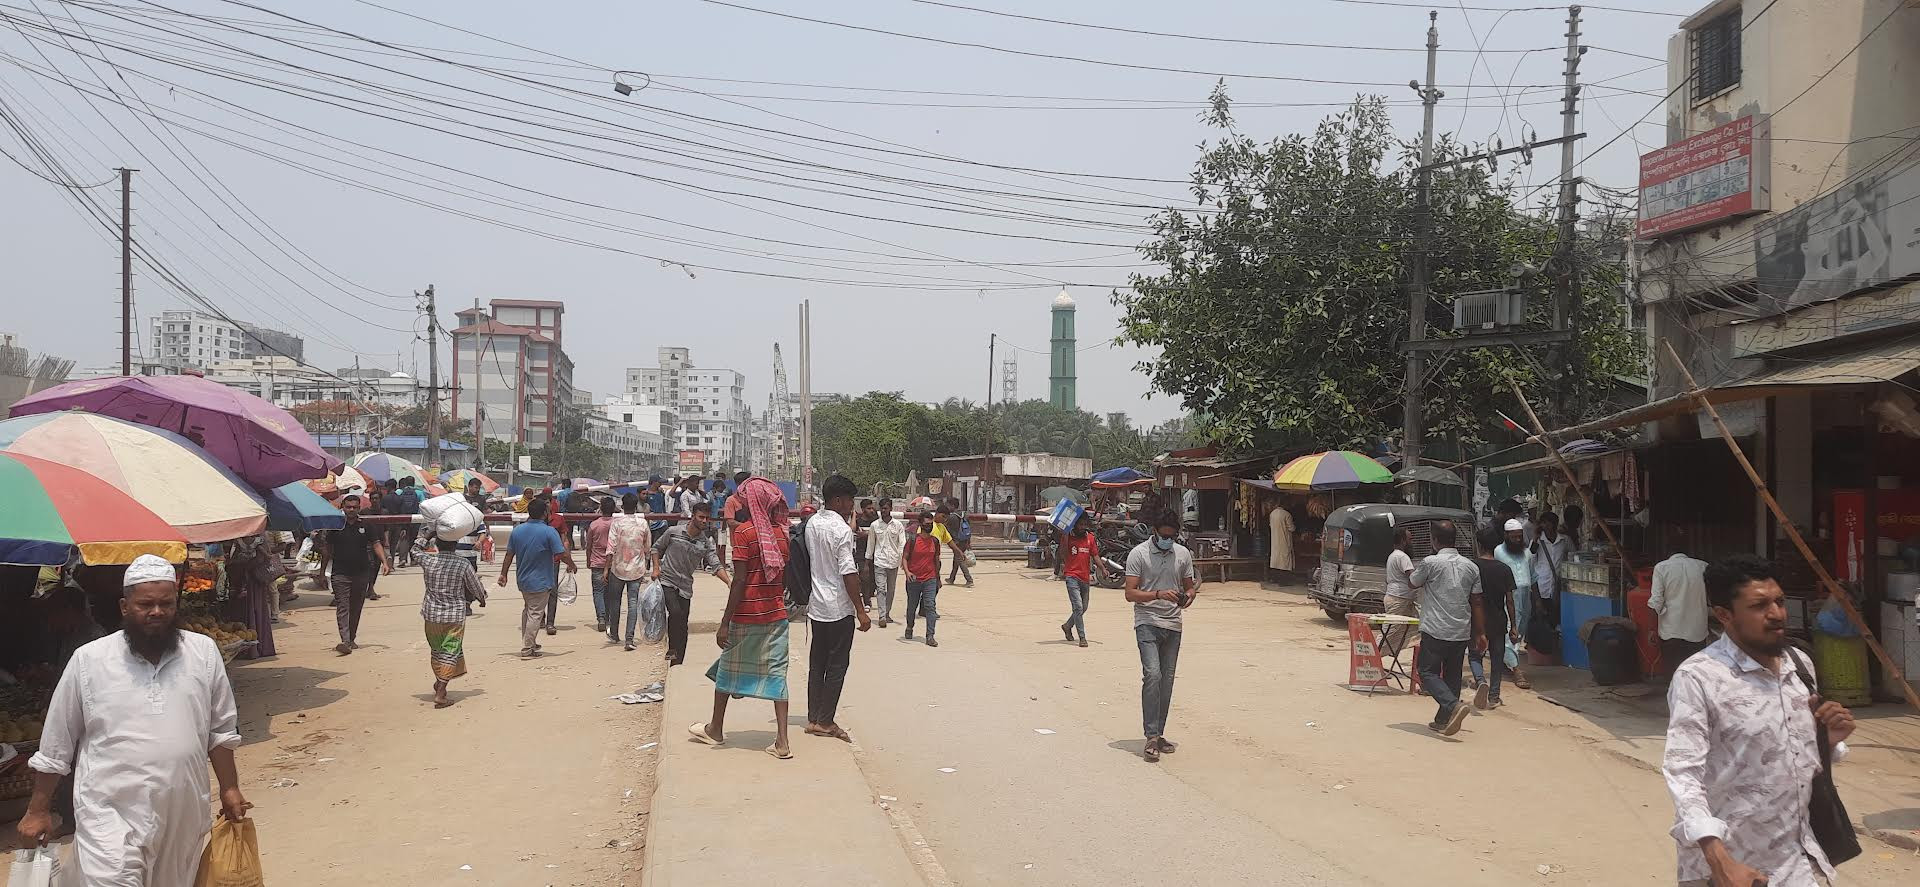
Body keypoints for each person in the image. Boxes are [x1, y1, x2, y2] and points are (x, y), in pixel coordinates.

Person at [17, 555, 249, 885]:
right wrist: (37, 809)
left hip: (181, 810)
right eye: (146, 604)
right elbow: (57, 742)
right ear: (125, 607)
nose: (157, 612)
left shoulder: (203, 652)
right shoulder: (90, 660)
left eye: (166, 604)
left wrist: (230, 787)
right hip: (108, 811)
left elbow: (221, 730)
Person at [1662, 555, 1856, 887]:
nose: (1777, 614)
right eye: (1759, 605)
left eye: (1779, 601)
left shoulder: (1800, 664)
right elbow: (1684, 774)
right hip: (1731, 870)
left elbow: (1798, 757)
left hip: (1800, 862)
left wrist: (1828, 739)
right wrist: (1719, 861)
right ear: (1724, 615)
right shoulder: (1699, 677)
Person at [690, 477, 794, 759]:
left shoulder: (744, 534)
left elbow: (739, 581)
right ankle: (782, 741)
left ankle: (716, 728)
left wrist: (725, 622)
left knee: (728, 667)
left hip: (747, 613)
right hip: (775, 614)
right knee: (777, 672)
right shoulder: (782, 535)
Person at [1124, 512, 1198, 763]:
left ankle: (1159, 733)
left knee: (1166, 681)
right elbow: (1130, 593)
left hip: (1173, 624)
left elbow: (1189, 586)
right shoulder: (1139, 554)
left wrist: (1188, 597)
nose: (1168, 540)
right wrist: (1157, 594)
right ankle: (1151, 736)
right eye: (1164, 536)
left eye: (1172, 536)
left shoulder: (1182, 554)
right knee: (1152, 675)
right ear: (1154, 532)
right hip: (1147, 622)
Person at [803, 474, 871, 740]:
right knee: (837, 665)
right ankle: (826, 720)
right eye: (849, 501)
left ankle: (813, 716)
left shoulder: (812, 524)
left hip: (817, 606)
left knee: (817, 663)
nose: (851, 506)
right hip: (838, 607)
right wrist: (861, 610)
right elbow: (848, 572)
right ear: (838, 500)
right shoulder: (841, 530)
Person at [1408, 521, 1484, 737]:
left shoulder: (1430, 562)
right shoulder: (1471, 566)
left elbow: (1412, 583)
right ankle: (1443, 719)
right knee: (1452, 675)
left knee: (1427, 672)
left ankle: (1453, 705)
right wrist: (1480, 632)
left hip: (1435, 628)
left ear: (1434, 540)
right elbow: (1477, 601)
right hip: (1461, 629)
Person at [497, 497, 577, 658]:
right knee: (535, 613)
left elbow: (509, 554)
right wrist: (572, 564)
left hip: (523, 579)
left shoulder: (518, 531)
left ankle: (530, 641)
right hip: (541, 580)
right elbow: (561, 553)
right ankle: (527, 648)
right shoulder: (549, 531)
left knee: (528, 610)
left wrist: (503, 573)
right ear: (544, 513)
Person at [654, 507, 731, 666]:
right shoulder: (673, 532)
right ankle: (672, 649)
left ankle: (677, 661)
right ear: (693, 517)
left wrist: (729, 582)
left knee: (682, 624)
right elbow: (656, 548)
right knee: (674, 612)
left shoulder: (705, 543)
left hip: (685, 587)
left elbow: (716, 565)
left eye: (706, 518)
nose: (704, 521)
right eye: (701, 517)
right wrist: (656, 568)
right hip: (667, 581)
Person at [320, 493, 390, 655]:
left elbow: (376, 544)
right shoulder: (335, 526)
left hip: (361, 573)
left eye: (354, 507)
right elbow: (327, 551)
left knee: (356, 607)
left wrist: (385, 562)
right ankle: (344, 640)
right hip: (340, 574)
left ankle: (351, 638)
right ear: (342, 507)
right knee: (343, 607)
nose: (351, 510)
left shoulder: (366, 525)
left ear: (359, 508)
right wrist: (322, 572)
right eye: (348, 507)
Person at [420, 537, 486, 707]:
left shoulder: (428, 560)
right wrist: (481, 598)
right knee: (451, 650)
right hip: (454, 616)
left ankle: (439, 680)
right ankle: (441, 691)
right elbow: (475, 585)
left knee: (437, 650)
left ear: (437, 544)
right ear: (455, 544)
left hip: (431, 614)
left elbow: (414, 551)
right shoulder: (462, 563)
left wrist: (427, 536)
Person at [1467, 524, 1519, 711]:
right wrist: (1514, 626)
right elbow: (1510, 601)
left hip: (1476, 620)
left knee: (1474, 655)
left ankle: (1480, 680)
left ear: (1479, 545)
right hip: (1499, 619)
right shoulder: (1504, 569)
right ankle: (1494, 696)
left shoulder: (1471, 567)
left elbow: (1467, 597)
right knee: (1497, 659)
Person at [1649, 543, 1712, 682]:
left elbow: (1656, 602)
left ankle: (1675, 700)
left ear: (1668, 553)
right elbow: (1711, 598)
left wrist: (1652, 630)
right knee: (1695, 676)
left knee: (1673, 675)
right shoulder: (1703, 566)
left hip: (1671, 631)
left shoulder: (1661, 568)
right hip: (1697, 631)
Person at [605, 492, 656, 650]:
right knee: (633, 603)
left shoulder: (617, 523)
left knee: (615, 602)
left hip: (618, 567)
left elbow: (610, 548)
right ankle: (629, 638)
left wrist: (606, 569)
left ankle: (614, 633)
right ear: (636, 507)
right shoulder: (643, 523)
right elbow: (648, 547)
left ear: (621, 506)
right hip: (637, 569)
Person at [1493, 517, 1536, 689]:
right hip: (1507, 597)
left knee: (1520, 631)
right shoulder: (1498, 552)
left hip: (1526, 598)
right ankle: (1517, 670)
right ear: (1506, 535)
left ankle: (1506, 662)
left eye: (1520, 536)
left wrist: (1537, 601)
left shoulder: (1527, 553)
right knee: (1511, 631)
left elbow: (1533, 577)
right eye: (1514, 537)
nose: (1517, 540)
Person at [1058, 513, 1108, 647]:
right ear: (1074, 525)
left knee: (1083, 607)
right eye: (1080, 525)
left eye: (1085, 525)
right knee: (1078, 607)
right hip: (1071, 576)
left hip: (1085, 577)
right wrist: (1064, 537)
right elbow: (1063, 554)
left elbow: (1095, 555)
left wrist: (1103, 569)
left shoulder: (1090, 538)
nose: (1083, 528)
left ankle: (1067, 626)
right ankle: (1082, 637)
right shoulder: (1068, 537)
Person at [902, 510, 943, 643]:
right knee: (912, 606)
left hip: (929, 578)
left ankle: (930, 635)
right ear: (920, 524)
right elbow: (905, 558)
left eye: (931, 524)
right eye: (926, 524)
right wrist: (908, 572)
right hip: (914, 579)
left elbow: (936, 560)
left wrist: (938, 578)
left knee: (930, 606)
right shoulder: (913, 540)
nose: (929, 526)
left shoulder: (935, 542)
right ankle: (909, 626)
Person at [867, 498, 906, 628]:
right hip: (879, 561)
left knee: (891, 590)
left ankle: (887, 613)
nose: (884, 511)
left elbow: (902, 543)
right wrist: (868, 561)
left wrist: (902, 559)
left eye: (886, 508)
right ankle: (882, 616)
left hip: (893, 562)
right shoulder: (875, 525)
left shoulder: (898, 525)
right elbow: (871, 544)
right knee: (881, 589)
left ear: (891, 509)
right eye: (882, 508)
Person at [1381, 528, 1418, 653]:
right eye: (1409, 539)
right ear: (1403, 541)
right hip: (1399, 598)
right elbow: (1413, 578)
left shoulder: (1393, 556)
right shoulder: (1402, 557)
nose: (1411, 542)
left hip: (1398, 597)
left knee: (1411, 630)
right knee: (1390, 632)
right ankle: (1371, 657)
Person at [587, 497, 618, 634]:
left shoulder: (594, 525)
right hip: (613, 563)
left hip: (597, 562)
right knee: (611, 593)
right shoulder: (617, 524)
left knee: (598, 591)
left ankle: (601, 617)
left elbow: (588, 545)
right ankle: (609, 618)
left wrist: (589, 560)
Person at [944, 497, 975, 588]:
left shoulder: (952, 517)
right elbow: (969, 529)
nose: (947, 507)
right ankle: (951, 578)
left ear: (952, 506)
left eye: (948, 505)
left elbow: (946, 529)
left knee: (959, 560)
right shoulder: (964, 515)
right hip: (964, 540)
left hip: (957, 541)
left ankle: (969, 580)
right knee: (956, 559)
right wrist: (968, 542)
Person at [855, 498, 878, 612]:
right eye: (869, 508)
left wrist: (867, 535)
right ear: (863, 509)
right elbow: (853, 530)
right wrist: (853, 516)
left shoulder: (876, 521)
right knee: (865, 577)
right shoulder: (858, 522)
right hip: (861, 553)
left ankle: (870, 593)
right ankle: (866, 601)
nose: (872, 510)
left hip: (875, 553)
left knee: (873, 578)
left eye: (872, 508)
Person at [1268, 501, 1295, 583]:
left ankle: (1274, 578)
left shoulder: (1272, 513)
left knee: (1275, 560)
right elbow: (1291, 528)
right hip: (1284, 540)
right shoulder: (1287, 514)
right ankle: (1284, 581)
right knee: (1284, 560)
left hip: (1274, 539)